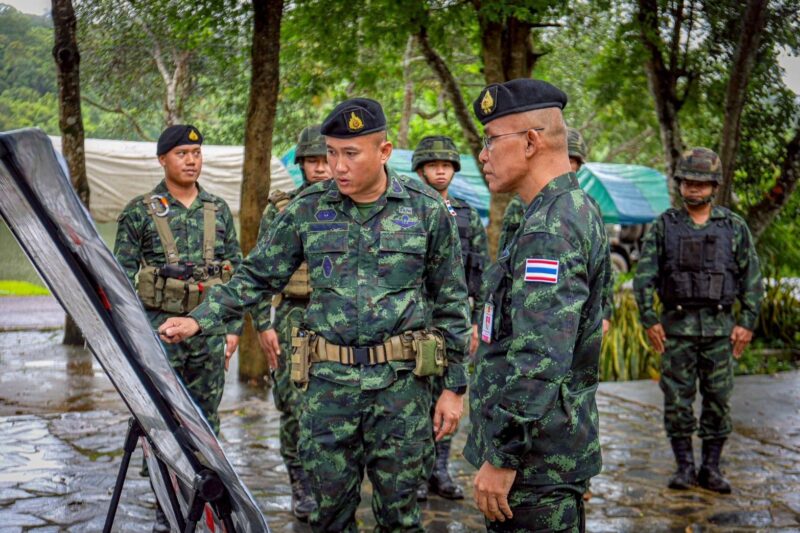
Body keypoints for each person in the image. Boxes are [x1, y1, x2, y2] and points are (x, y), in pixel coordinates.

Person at [157, 98, 471, 532]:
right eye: (331, 153)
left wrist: (454, 388)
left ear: (384, 152)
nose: (337, 166)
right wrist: (200, 318)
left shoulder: (426, 210)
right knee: (328, 517)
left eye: (350, 154)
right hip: (329, 390)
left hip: (402, 390)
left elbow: (452, 302)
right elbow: (257, 274)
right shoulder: (307, 209)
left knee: (400, 518)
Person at [465, 78, 611, 532]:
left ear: (530, 141)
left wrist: (503, 456)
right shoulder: (572, 206)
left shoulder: (549, 228)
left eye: (491, 141)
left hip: (533, 466)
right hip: (550, 455)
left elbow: (540, 358)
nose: (483, 155)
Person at [113, 124, 242, 532]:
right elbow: (118, 277)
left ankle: (206, 506)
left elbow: (236, 272)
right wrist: (134, 339)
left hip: (207, 333)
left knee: (206, 422)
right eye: (182, 153)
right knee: (162, 423)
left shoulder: (218, 210)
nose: (191, 160)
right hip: (159, 335)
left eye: (197, 152)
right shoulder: (139, 211)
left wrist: (233, 327)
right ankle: (165, 505)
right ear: (163, 159)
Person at [633, 147, 763, 494]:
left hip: (720, 331)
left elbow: (752, 276)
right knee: (677, 400)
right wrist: (649, 319)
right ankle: (684, 467)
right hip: (676, 330)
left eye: (701, 183)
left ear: (713, 186)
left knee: (719, 399)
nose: (694, 189)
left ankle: (712, 468)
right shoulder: (664, 226)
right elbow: (644, 276)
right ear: (681, 185)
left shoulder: (733, 227)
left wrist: (747, 323)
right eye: (689, 182)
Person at [253, 124, 331, 521]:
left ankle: (329, 481)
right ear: (301, 164)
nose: (319, 169)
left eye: (325, 159)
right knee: (294, 403)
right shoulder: (282, 209)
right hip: (292, 317)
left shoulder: (355, 207)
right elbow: (259, 271)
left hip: (339, 319)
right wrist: (263, 325)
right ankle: (299, 481)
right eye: (312, 161)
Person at [411, 135, 488, 502]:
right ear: (420, 169)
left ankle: (440, 469)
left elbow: (480, 273)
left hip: (453, 321)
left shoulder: (468, 216)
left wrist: (474, 321)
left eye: (446, 165)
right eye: (433, 165)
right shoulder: (407, 210)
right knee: (415, 398)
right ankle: (418, 470)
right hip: (412, 322)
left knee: (451, 392)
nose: (440, 171)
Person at [498, 127, 612, 338]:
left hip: (579, 308)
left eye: (573, 160)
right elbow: (503, 261)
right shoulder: (521, 204)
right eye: (563, 158)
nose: (566, 166)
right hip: (529, 310)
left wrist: (605, 312)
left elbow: (602, 263)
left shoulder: (588, 208)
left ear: (578, 166)